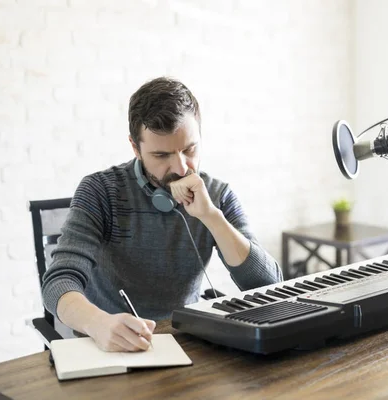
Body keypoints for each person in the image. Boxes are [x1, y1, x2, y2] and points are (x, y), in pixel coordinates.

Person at [41, 77, 283, 353]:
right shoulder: (99, 191)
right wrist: (98, 323)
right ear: (135, 148)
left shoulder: (216, 194)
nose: (180, 168)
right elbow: (57, 283)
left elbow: (270, 285)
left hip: (189, 341)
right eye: (161, 155)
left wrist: (211, 217)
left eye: (189, 149)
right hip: (112, 344)